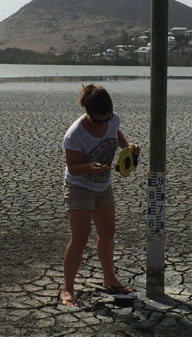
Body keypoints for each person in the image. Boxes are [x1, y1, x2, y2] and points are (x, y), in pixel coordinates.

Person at [60, 84, 140, 306]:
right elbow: (72, 167)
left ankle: (109, 279)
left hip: (103, 185)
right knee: (80, 237)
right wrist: (89, 167)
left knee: (107, 233)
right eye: (99, 121)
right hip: (79, 187)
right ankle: (67, 288)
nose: (104, 123)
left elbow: (116, 133)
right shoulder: (74, 135)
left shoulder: (112, 119)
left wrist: (128, 147)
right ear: (87, 111)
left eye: (107, 118)